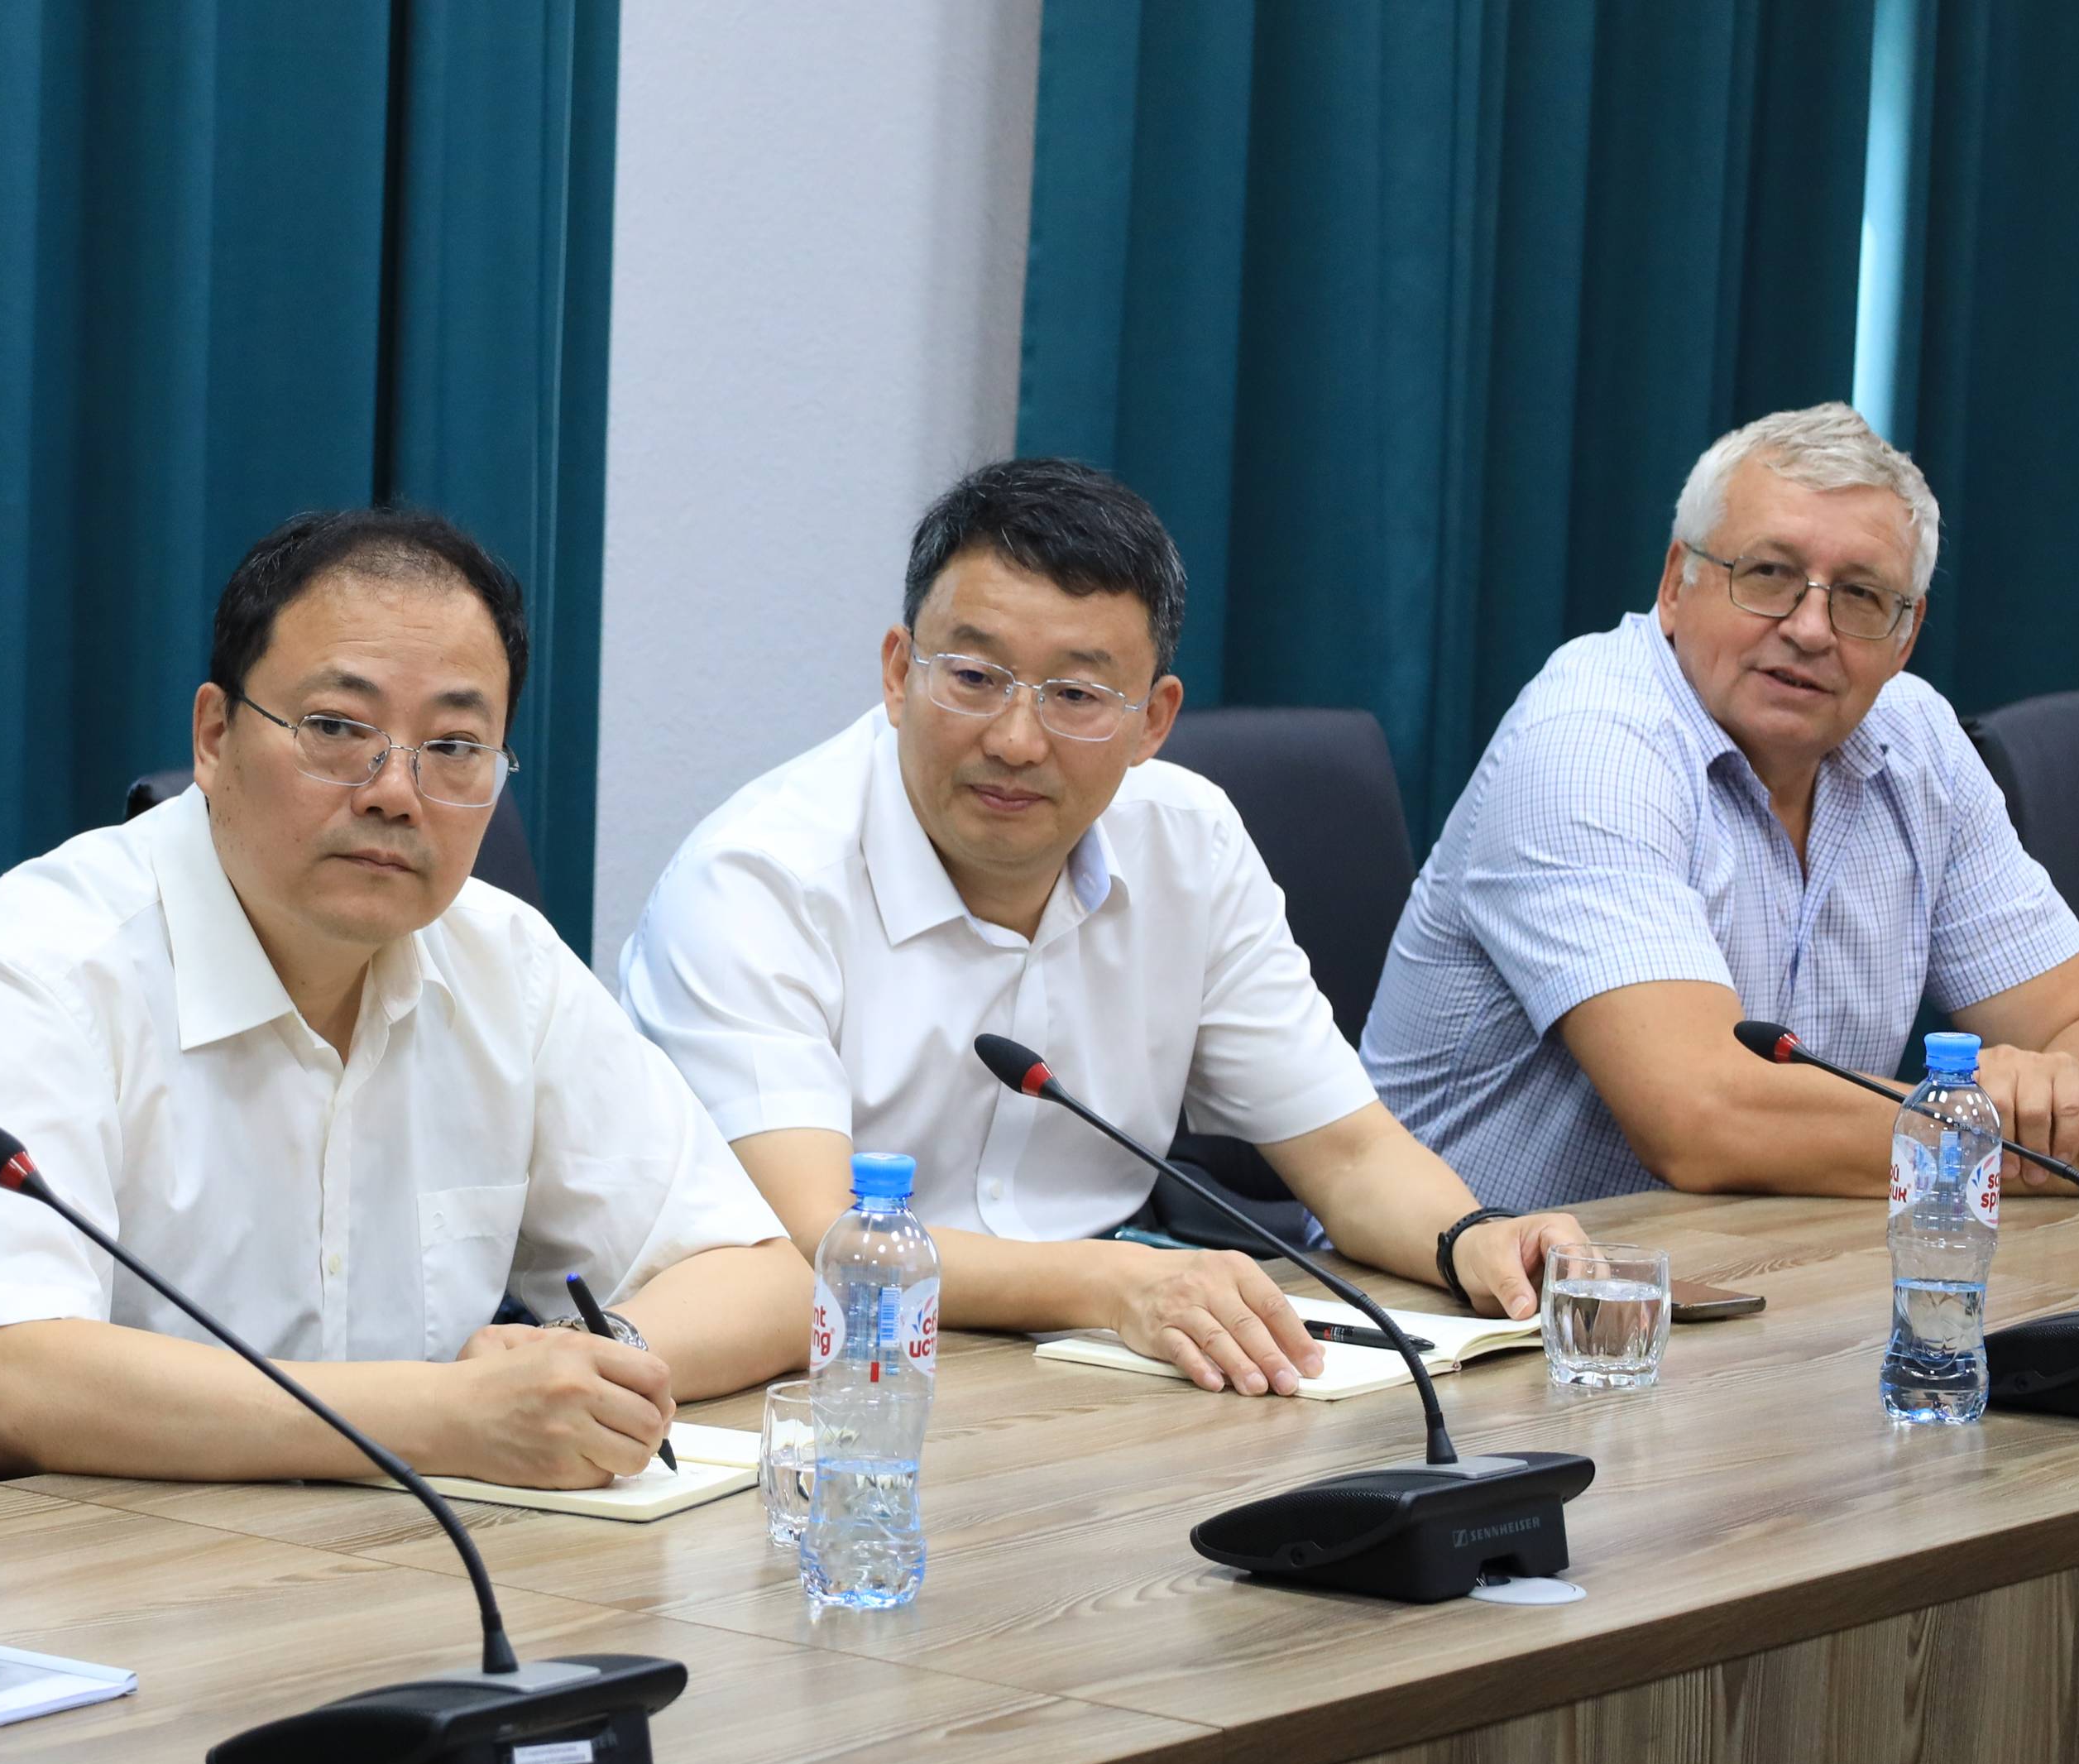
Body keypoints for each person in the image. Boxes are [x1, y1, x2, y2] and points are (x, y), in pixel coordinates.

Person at [0, 508, 806, 1486]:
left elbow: (770, 1281)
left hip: (405, 1553)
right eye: (339, 730)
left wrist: (593, 1361)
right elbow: (3, 1383)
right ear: (215, 737)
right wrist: (452, 1414)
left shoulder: (505, 962)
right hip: (73, 1567)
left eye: (454, 745)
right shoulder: (38, 968)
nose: (395, 791)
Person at [619, 459, 1585, 1399]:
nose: (1014, 740)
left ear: (1153, 721)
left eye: (1076, 696)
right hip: (825, 1388)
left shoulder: (1189, 841)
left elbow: (1348, 1156)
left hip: (1103, 1369)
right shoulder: (758, 879)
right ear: (898, 673)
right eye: (974, 676)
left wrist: (1473, 1239)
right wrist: (1113, 1283)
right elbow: (823, 1241)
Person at [1362, 402, 2079, 1210]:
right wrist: (2051, 1143)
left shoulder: (1916, 743)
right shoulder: (1591, 741)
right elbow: (1702, 1115)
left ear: (1906, 636)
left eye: (1860, 596)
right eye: (1768, 574)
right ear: (1677, 585)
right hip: (1474, 1305)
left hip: (1769, 1274)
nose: (1810, 629)